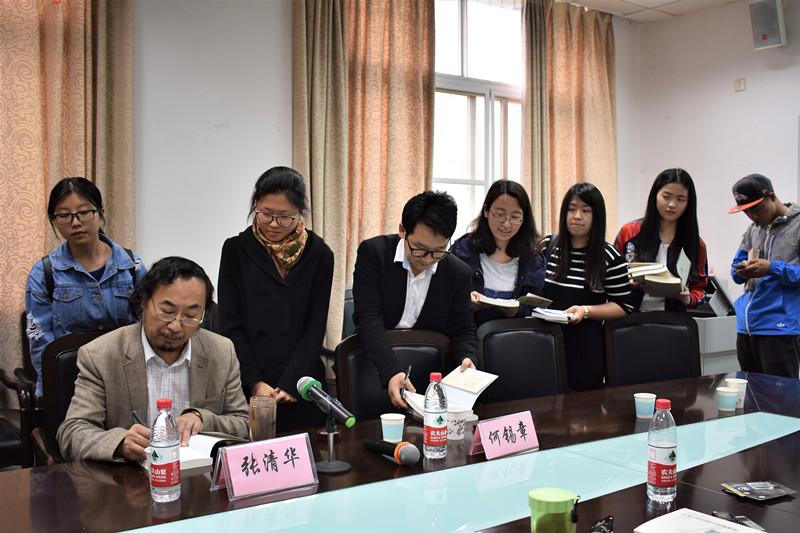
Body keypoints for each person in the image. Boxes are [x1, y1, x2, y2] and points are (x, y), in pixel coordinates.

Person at [57, 256, 249, 463]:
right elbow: (72, 433)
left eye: (191, 316)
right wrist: (120, 443)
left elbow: (243, 423)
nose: (176, 326)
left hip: (198, 475)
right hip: (128, 476)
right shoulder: (101, 355)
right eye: (167, 312)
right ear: (143, 302)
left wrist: (202, 418)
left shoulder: (221, 351)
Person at [218, 167, 334, 432]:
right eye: (265, 214)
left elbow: (315, 325)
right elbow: (230, 323)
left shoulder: (320, 254)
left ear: (299, 213)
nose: (272, 224)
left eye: (284, 217)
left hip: (300, 382)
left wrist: (292, 381)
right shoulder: (236, 250)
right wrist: (254, 382)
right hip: (248, 379)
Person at [352, 191, 478, 408]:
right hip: (375, 363)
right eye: (420, 249)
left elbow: (463, 329)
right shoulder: (374, 253)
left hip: (429, 376)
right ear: (403, 230)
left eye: (439, 251)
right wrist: (391, 371)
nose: (428, 259)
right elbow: (367, 317)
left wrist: (467, 357)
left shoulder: (458, 273)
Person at [25, 177, 146, 395]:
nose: (75, 222)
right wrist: (51, 386)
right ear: (54, 220)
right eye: (64, 215)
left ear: (100, 212)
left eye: (84, 212)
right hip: (69, 380)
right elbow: (40, 339)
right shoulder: (44, 272)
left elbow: (146, 324)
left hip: (125, 374)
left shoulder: (131, 266)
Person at [540, 183, 636, 391]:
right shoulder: (548, 246)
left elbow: (623, 306)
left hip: (585, 348)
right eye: (571, 209)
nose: (577, 216)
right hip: (544, 342)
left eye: (585, 211)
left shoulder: (609, 257)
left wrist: (586, 311)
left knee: (581, 406)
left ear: (597, 216)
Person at [728, 173, 800, 378]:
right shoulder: (753, 230)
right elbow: (735, 271)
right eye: (746, 212)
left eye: (756, 209)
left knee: (779, 395)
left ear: (772, 196)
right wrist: (741, 270)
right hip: (747, 327)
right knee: (749, 392)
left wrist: (771, 268)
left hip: (780, 328)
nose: (752, 216)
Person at [451, 180, 546, 326]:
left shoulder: (533, 259)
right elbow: (446, 296)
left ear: (524, 219)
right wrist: (466, 303)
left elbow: (537, 308)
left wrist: (518, 310)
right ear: (486, 211)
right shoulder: (463, 250)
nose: (506, 224)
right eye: (500, 215)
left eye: (515, 217)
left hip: (515, 334)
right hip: (469, 332)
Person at [614, 168, 709, 312]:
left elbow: (700, 290)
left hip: (672, 319)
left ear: (688, 203)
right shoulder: (629, 231)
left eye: (680, 199)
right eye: (666, 196)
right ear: (655, 195)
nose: (672, 204)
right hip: (629, 316)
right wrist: (626, 282)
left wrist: (688, 298)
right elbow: (611, 274)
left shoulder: (696, 245)